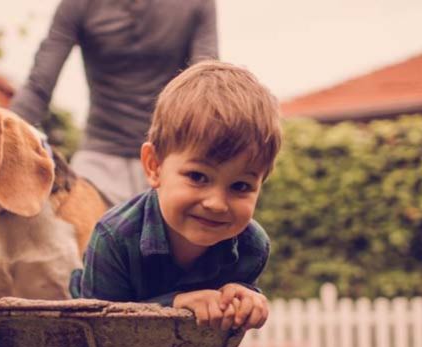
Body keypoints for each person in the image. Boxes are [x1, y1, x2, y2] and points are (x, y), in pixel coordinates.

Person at [71, 60, 282, 332]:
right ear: (154, 166)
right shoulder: (114, 238)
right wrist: (174, 305)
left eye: (240, 186)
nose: (216, 204)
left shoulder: (252, 247)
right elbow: (100, 332)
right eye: (197, 177)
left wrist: (245, 296)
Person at [9, 0, 219, 205]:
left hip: (168, 161)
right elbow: (38, 87)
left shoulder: (197, 4)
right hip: (98, 165)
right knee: (87, 234)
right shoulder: (78, 5)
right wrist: (4, 141)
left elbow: (204, 87)